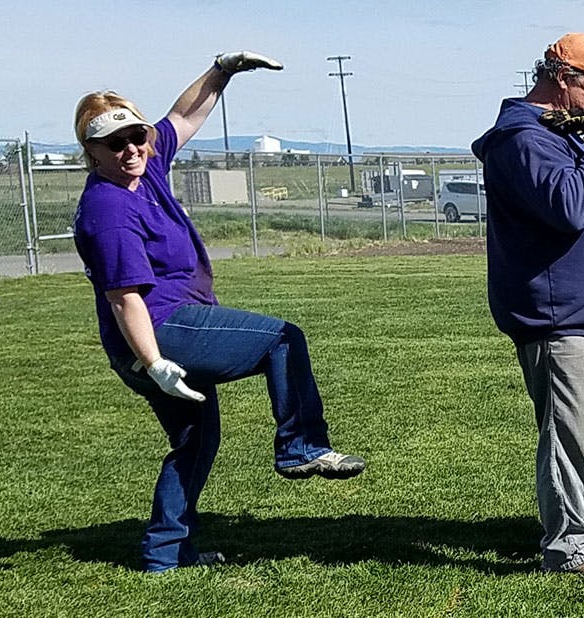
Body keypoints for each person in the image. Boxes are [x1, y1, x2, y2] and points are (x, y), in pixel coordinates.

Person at [71, 52, 366, 574]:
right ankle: (301, 446)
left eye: (137, 135)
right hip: (160, 332)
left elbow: (184, 117)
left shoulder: (147, 168)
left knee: (194, 441)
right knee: (282, 339)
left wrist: (221, 70)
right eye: (115, 144)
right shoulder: (109, 209)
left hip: (160, 334)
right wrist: (156, 363)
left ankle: (165, 555)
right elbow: (125, 298)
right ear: (91, 152)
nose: (132, 149)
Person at [469, 33, 584, 578]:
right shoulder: (522, 139)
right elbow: (571, 205)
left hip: (580, 310)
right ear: (564, 78)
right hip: (556, 315)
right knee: (569, 433)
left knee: (581, 428)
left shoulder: (552, 132)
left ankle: (583, 524)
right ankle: (571, 547)